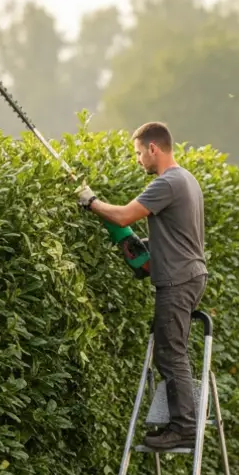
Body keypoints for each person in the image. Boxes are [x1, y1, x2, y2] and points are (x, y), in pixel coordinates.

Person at [75, 122, 208, 451]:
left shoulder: (167, 182)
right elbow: (176, 236)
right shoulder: (186, 179)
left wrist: (91, 202)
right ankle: (182, 423)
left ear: (153, 149)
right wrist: (143, 247)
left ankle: (184, 428)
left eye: (138, 153)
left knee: (170, 353)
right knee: (171, 351)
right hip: (187, 274)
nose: (137, 160)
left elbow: (122, 216)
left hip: (177, 280)